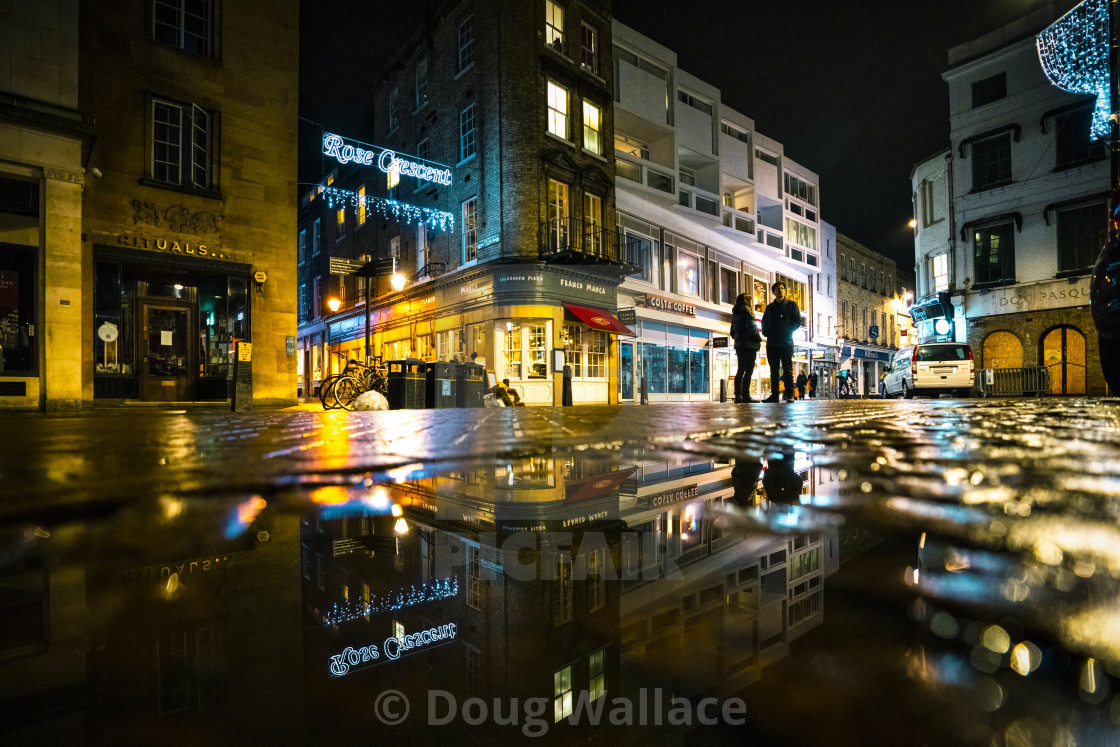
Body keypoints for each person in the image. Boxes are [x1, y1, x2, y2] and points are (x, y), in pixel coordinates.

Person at [760, 282, 801, 403]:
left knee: (787, 370)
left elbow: (797, 321)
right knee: (774, 371)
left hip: (786, 342)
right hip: (772, 343)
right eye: (778, 289)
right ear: (774, 292)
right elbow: (764, 322)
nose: (781, 290)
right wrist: (767, 332)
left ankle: (790, 394)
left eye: (783, 288)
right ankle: (774, 395)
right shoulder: (769, 308)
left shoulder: (791, 305)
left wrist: (787, 330)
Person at [729, 293, 762, 403]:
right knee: (749, 370)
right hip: (750, 345)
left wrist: (739, 339)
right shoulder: (748, 311)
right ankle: (746, 395)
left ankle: (738, 396)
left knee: (740, 370)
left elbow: (732, 332)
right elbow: (752, 328)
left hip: (739, 346)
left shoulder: (735, 314)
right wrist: (758, 339)